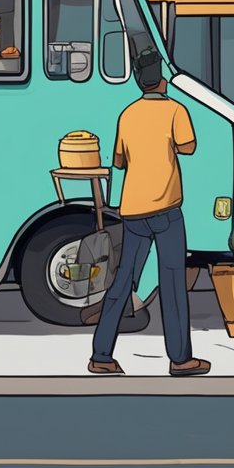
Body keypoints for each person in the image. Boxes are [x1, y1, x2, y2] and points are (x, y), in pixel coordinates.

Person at [89, 49, 210, 377]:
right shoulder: (175, 110)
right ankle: (181, 359)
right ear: (162, 79)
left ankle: (101, 354)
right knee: (172, 283)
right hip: (166, 210)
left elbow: (119, 161)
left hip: (133, 210)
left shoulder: (127, 114)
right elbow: (189, 147)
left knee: (123, 280)